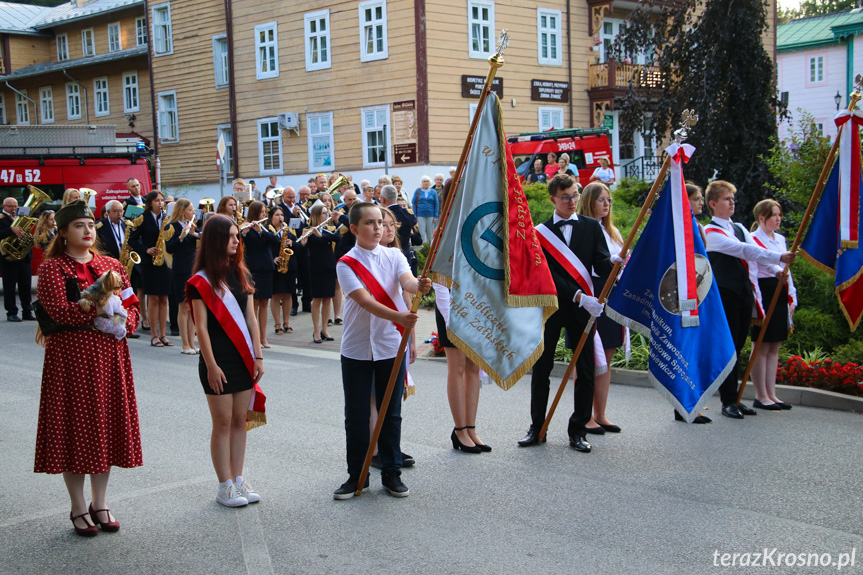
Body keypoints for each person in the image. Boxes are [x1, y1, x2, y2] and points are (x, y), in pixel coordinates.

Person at [34, 199, 142, 536]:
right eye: (79, 225)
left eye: (91, 225)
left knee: (104, 428)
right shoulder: (53, 268)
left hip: (110, 356)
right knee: (75, 429)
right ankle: (78, 506)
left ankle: (101, 502)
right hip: (70, 358)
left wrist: (125, 322)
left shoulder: (112, 264)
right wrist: (99, 311)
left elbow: (131, 305)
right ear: (63, 232)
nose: (88, 230)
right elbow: (58, 311)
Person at [333, 201, 431, 499]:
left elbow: (408, 282)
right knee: (357, 415)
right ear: (354, 229)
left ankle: (392, 472)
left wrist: (420, 285)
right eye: (370, 223)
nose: (378, 228)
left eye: (381, 223)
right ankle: (356, 475)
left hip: (391, 345)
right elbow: (364, 301)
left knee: (391, 412)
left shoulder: (395, 255)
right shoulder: (346, 263)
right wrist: (399, 317)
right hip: (357, 348)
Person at [519, 174, 612, 453]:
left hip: (584, 310)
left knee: (585, 368)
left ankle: (579, 429)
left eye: (575, 195)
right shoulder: (539, 233)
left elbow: (600, 262)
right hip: (552, 306)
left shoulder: (592, 228)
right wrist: (579, 295)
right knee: (542, 367)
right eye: (566, 197)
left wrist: (615, 265)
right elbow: (545, 274)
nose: (572, 201)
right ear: (553, 199)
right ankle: (538, 427)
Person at [187, 214, 264, 508]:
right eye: (231, 236)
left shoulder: (241, 274)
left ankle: (238, 479)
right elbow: (201, 327)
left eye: (237, 236)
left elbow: (251, 319)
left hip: (243, 357)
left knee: (239, 422)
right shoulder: (200, 282)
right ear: (216, 240)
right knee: (221, 423)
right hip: (216, 360)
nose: (236, 240)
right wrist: (211, 365)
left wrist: (257, 355)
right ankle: (224, 486)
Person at [704, 181, 795, 420]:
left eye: (733, 198)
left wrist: (776, 269)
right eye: (726, 199)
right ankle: (727, 401)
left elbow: (755, 249)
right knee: (729, 347)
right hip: (726, 295)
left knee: (739, 345)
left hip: (744, 292)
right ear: (713, 204)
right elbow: (745, 251)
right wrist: (779, 256)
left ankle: (736, 397)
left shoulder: (740, 228)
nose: (732, 202)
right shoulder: (711, 232)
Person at [576, 183, 623, 435]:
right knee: (587, 358)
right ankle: (584, 415)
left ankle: (600, 414)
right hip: (591, 291)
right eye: (601, 200)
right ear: (589, 201)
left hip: (611, 292)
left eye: (609, 199)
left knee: (607, 355)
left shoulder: (613, 232)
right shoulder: (583, 229)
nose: (606, 204)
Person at [748, 199, 796, 411]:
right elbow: (763, 261)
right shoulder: (751, 238)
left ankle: (772, 393)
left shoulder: (781, 239)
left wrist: (791, 295)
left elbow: (787, 269)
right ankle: (760, 395)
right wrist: (777, 271)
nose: (778, 219)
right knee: (761, 344)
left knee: (774, 344)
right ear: (761, 218)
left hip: (780, 288)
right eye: (774, 215)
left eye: (779, 214)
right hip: (763, 290)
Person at [435, 280, 488, 454]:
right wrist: (450, 317)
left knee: (473, 368)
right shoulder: (445, 249)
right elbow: (439, 278)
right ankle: (460, 430)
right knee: (457, 368)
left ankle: (470, 428)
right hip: (450, 305)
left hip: (474, 305)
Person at [130, 190, 172, 348]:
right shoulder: (142, 218)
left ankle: (163, 334)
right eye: (157, 201)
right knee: (153, 299)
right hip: (149, 263)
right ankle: (154, 335)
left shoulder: (166, 218)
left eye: (162, 200)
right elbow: (132, 240)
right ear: (150, 203)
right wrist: (146, 249)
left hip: (164, 263)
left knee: (164, 299)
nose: (160, 203)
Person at [164, 198, 200, 355]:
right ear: (182, 210)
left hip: (193, 268)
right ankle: (185, 344)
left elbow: (197, 246)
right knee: (183, 306)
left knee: (192, 307)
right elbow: (170, 248)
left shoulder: (192, 226)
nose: (193, 212)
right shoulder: (170, 227)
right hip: (180, 270)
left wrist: (194, 234)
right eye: (191, 209)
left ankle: (192, 343)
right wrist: (181, 236)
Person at [241, 201, 280, 349]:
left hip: (266, 268)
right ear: (255, 213)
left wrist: (261, 231)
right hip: (254, 269)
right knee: (254, 304)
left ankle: (263, 338)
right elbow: (245, 243)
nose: (265, 214)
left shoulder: (264, 227)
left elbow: (275, 240)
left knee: (264, 304)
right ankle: (254, 338)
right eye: (262, 212)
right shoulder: (246, 228)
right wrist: (246, 233)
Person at [302, 203, 338, 343]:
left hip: (329, 267)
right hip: (316, 268)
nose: (327, 215)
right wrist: (303, 242)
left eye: (327, 212)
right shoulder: (307, 230)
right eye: (324, 213)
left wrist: (321, 235)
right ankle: (316, 331)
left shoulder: (327, 229)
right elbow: (301, 249)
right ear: (316, 215)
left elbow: (337, 239)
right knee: (316, 300)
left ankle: (324, 329)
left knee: (327, 299)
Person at [0, 196, 36, 321]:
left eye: (15, 206)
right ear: (4, 207)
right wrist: (10, 230)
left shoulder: (21, 218)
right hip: (8, 258)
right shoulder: (1, 219)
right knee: (9, 287)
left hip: (24, 258)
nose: (13, 209)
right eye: (10, 206)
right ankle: (11, 313)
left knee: (26, 286)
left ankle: (27, 311)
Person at [379, 185, 418, 275]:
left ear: (383, 199)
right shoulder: (408, 214)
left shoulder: (381, 215)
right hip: (405, 255)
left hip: (386, 256)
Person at [269, 206, 296, 335]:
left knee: (288, 294)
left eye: (281, 215)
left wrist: (292, 242)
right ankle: (277, 324)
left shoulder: (288, 230)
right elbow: (266, 247)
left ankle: (287, 322)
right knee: (275, 295)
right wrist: (272, 258)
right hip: (275, 265)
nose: (280, 217)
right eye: (277, 215)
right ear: (271, 218)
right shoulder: (269, 230)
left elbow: (297, 245)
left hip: (287, 265)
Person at [411, 176, 440, 245]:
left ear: (429, 182)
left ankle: (430, 246)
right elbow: (414, 202)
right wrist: (414, 213)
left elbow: (436, 203)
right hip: (420, 214)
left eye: (427, 181)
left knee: (430, 232)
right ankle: (423, 246)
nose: (426, 183)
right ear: (422, 182)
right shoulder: (418, 191)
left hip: (431, 214)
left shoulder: (433, 192)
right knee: (421, 232)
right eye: (424, 181)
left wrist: (436, 216)